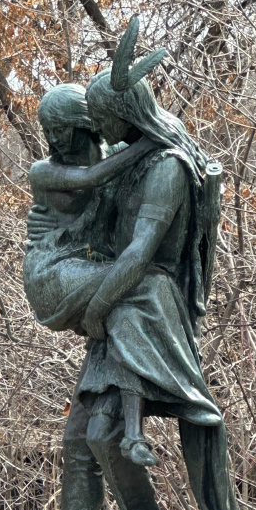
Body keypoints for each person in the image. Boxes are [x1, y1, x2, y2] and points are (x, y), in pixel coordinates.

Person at [21, 19, 256, 510]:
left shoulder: (166, 167)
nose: (97, 133)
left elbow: (140, 253)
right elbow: (89, 211)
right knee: (83, 434)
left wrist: (96, 307)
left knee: (105, 431)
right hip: (120, 300)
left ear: (124, 113)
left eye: (101, 119)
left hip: (143, 306)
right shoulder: (134, 160)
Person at [24, 83, 161, 466]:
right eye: (48, 131)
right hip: (51, 274)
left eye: (62, 128)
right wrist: (151, 140)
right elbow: (90, 178)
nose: (55, 139)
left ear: (85, 124)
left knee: (130, 298)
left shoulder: (117, 156)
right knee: (137, 287)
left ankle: (132, 431)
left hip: (90, 269)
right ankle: (136, 427)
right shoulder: (45, 171)